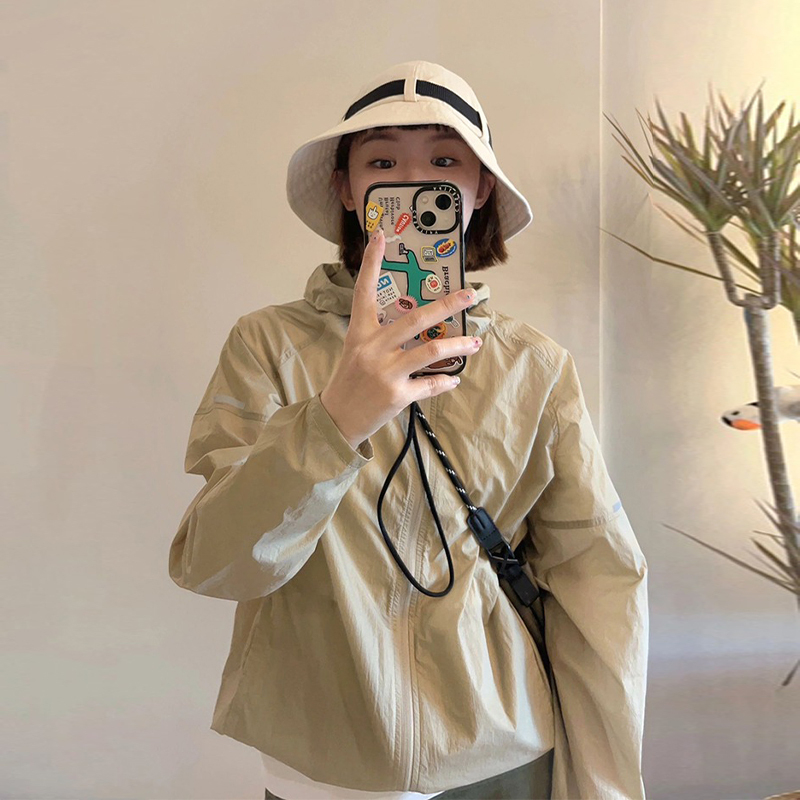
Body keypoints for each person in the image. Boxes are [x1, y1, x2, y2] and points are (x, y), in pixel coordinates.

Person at [168, 60, 649, 800]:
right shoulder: (267, 345)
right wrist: (335, 419)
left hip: (501, 751)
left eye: (445, 162)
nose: (414, 178)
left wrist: (602, 787)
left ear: (479, 189)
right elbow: (217, 564)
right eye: (383, 162)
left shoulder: (535, 366)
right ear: (347, 188)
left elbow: (597, 582)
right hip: (320, 763)